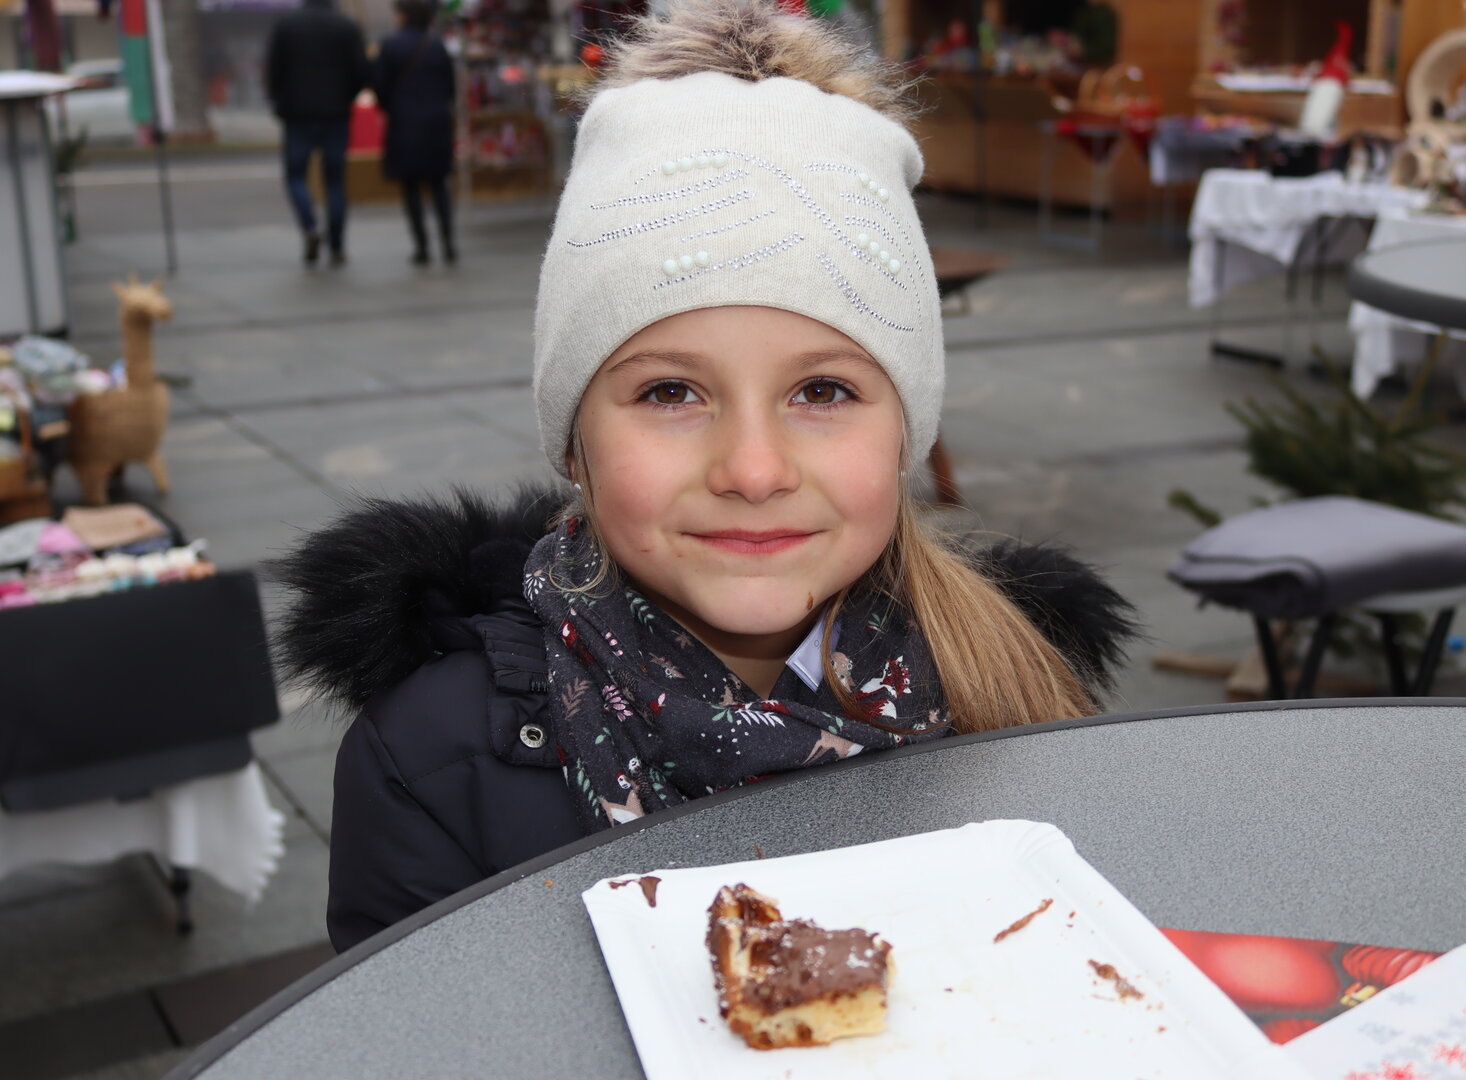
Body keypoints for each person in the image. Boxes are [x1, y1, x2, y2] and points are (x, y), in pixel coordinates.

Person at [277, 0, 1138, 953]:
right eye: (671, 392)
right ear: (575, 443)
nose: (754, 470)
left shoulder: (1017, 691)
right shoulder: (435, 764)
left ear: (906, 434)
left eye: (822, 390)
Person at [264, 0, 369, 267]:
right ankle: (337, 244)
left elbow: (274, 70)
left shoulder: (287, 26)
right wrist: (346, 98)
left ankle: (310, 226)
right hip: (335, 113)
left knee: (295, 176)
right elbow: (361, 71)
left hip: (297, 114)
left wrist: (279, 102)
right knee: (335, 181)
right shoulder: (346, 26)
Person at [372, 0, 457, 265]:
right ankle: (448, 243)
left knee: (411, 188)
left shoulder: (390, 45)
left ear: (404, 16)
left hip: (404, 124)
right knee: (439, 185)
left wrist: (393, 106)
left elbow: (379, 86)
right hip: (436, 124)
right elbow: (450, 87)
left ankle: (422, 247)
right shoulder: (437, 45)